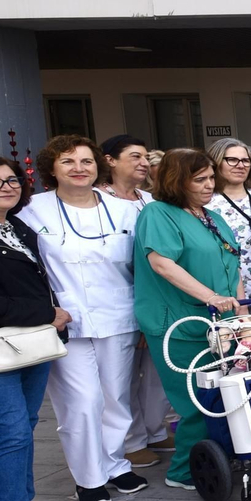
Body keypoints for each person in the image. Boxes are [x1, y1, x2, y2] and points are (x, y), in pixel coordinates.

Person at [17, 136, 147, 501]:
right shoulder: (31, 210)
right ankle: (89, 479)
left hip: (117, 315)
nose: (79, 168)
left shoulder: (124, 211)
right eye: (68, 161)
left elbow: (140, 267)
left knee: (116, 398)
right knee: (81, 401)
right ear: (51, 169)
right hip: (65, 320)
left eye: (87, 161)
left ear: (98, 166)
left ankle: (116, 464)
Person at [0, 155, 78, 501]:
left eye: (13, 179)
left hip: (32, 343)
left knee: (25, 426)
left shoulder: (16, 227)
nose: (7, 186)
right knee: (10, 433)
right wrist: (46, 314)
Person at [132, 148, 243, 491]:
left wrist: (239, 307)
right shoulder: (158, 213)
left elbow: (232, 262)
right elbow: (162, 264)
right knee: (195, 402)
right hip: (178, 324)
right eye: (200, 180)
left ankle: (215, 458)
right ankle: (183, 471)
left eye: (211, 177)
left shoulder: (211, 216)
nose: (210, 184)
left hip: (219, 324)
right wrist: (211, 297)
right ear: (176, 180)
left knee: (220, 398)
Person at [99, 135, 169, 466]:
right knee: (122, 378)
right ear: (110, 160)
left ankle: (155, 430)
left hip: (154, 297)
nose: (143, 163)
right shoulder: (98, 201)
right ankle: (131, 440)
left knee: (157, 371)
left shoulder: (149, 200)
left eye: (145, 157)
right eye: (134, 157)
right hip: (117, 300)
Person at [205, 138, 251, 302]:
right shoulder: (206, 203)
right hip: (224, 296)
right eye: (232, 160)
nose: (241, 165)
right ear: (216, 162)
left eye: (245, 160)